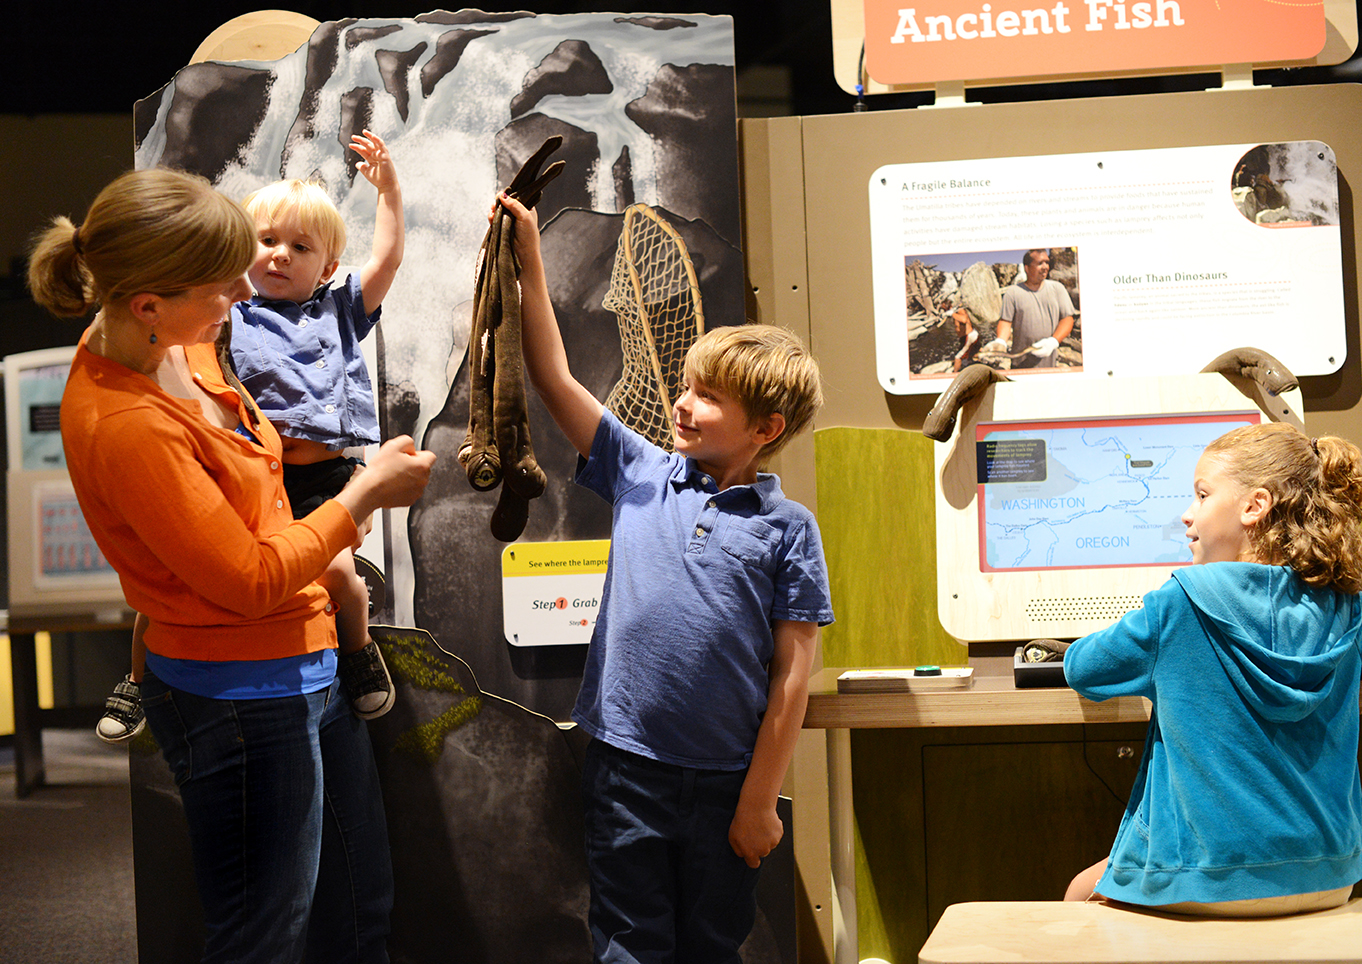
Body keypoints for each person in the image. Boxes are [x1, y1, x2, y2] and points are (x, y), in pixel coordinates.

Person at [31, 166, 434, 961]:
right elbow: (246, 580)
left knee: (358, 912)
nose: (241, 298)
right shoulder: (126, 422)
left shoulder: (186, 339)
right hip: (241, 696)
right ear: (149, 303)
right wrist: (362, 498)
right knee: (263, 936)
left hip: (308, 664)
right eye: (221, 286)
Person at [496, 190, 834, 962]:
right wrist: (530, 264)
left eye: (708, 399)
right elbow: (553, 377)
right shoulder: (640, 469)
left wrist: (757, 800)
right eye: (685, 386)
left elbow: (792, 677)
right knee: (629, 945)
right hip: (626, 771)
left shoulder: (789, 529)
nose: (682, 406)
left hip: (726, 784)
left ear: (765, 429)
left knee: (711, 946)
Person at [95, 130, 403, 741]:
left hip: (323, 477)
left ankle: (360, 653)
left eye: (300, 246)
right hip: (254, 472)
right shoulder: (229, 313)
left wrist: (389, 191)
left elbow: (388, 258)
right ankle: (136, 680)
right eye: (266, 242)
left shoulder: (338, 310)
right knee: (172, 583)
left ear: (329, 266)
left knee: (339, 575)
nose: (280, 255)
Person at [1063, 421, 1362, 916]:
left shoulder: (1178, 606)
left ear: (1254, 506)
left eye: (1202, 495)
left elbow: (1083, 667)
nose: (1188, 516)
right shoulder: (1349, 611)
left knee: (1078, 893)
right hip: (1331, 877)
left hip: (1209, 883)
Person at [982, 248, 1075, 369]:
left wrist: (1053, 342)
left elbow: (1067, 319)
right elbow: (1006, 321)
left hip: (1049, 364)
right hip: (1020, 363)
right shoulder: (1012, 292)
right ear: (1026, 268)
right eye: (1040, 263)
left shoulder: (1058, 289)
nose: (1045, 267)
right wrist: (1000, 341)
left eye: (1047, 262)